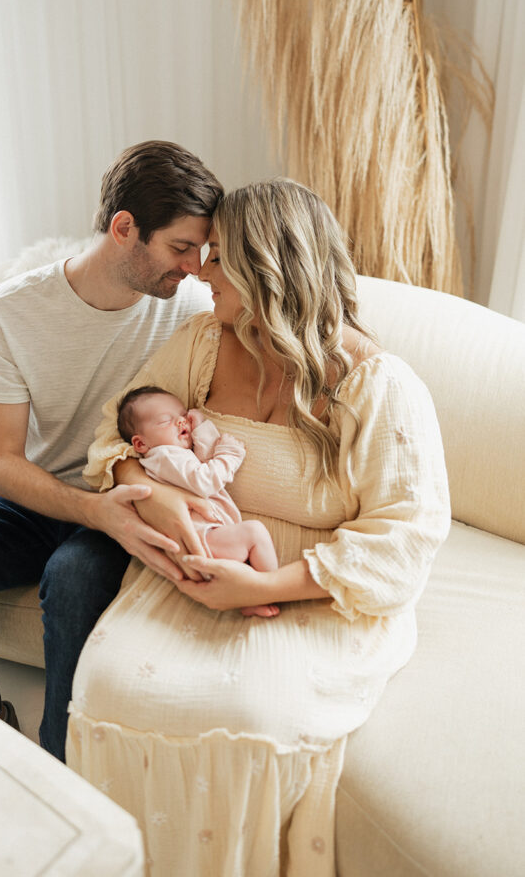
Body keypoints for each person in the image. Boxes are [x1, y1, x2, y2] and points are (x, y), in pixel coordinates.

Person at [73, 179, 451, 875]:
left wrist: (261, 585)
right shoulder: (202, 344)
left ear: (265, 266)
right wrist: (146, 492)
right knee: (107, 685)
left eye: (216, 257)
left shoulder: (376, 383)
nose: (198, 271)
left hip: (310, 586)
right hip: (200, 558)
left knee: (250, 711)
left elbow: (405, 536)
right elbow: (117, 430)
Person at [0, 139, 224, 762]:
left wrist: (125, 505)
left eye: (200, 251)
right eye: (179, 248)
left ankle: (61, 762)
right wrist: (92, 510)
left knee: (71, 580)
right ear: (125, 229)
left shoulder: (194, 309)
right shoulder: (9, 314)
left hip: (136, 495)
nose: (194, 267)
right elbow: (0, 461)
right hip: (41, 497)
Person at [117, 385, 279, 617]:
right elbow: (205, 480)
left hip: (205, 537)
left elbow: (204, 456)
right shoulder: (163, 457)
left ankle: (248, 597)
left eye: (183, 416)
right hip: (200, 540)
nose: (181, 422)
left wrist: (200, 426)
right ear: (141, 444)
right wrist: (230, 455)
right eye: (166, 420)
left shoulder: (176, 457)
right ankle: (267, 590)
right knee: (254, 533)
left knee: (243, 559)